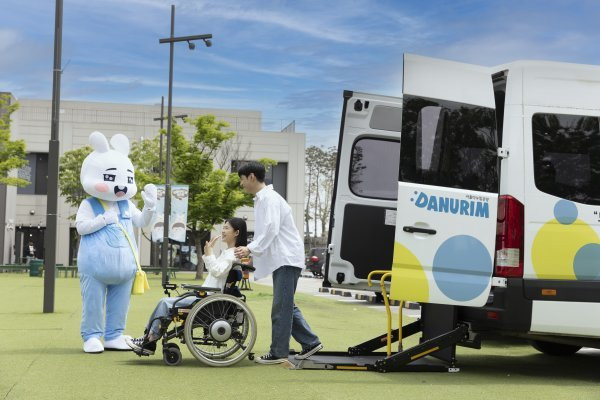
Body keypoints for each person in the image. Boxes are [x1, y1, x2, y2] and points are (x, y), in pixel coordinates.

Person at [235, 161, 322, 364]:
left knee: (281, 307)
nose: (241, 184)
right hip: (284, 258)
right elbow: (269, 231)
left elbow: (271, 229)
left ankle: (278, 352)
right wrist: (252, 248)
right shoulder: (264, 199)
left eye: (241, 180)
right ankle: (311, 343)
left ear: (251, 177)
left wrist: (250, 248)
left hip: (286, 257)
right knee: (286, 305)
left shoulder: (269, 199)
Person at [126, 218, 247, 355]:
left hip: (210, 299)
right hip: (209, 297)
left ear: (236, 232)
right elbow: (215, 270)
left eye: (226, 228)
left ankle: (150, 340)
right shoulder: (229, 252)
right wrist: (209, 253)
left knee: (165, 303)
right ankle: (149, 337)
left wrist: (209, 253)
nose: (223, 231)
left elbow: (217, 271)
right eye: (223, 227)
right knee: (166, 302)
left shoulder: (233, 254)